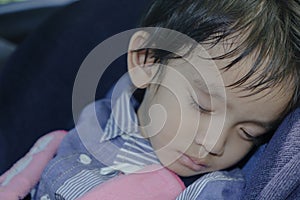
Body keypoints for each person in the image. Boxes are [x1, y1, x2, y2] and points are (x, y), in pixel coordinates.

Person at [1, 0, 299, 199]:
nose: (214, 144)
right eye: (203, 105)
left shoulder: (211, 190)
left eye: (249, 133)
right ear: (146, 61)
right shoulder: (99, 119)